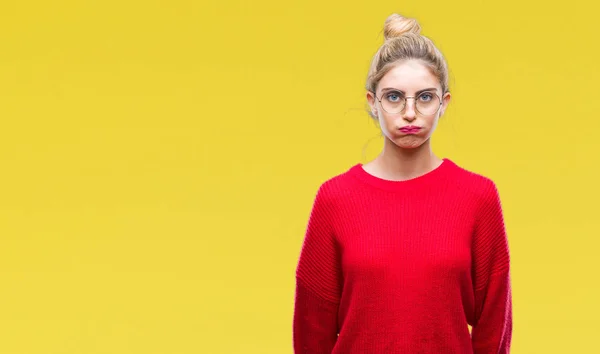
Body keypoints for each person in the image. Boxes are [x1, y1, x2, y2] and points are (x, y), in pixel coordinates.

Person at [293, 13, 513, 354]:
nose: (409, 113)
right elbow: (312, 332)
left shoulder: (478, 197)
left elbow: (493, 326)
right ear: (372, 102)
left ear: (444, 104)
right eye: (394, 97)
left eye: (424, 97)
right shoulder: (335, 199)